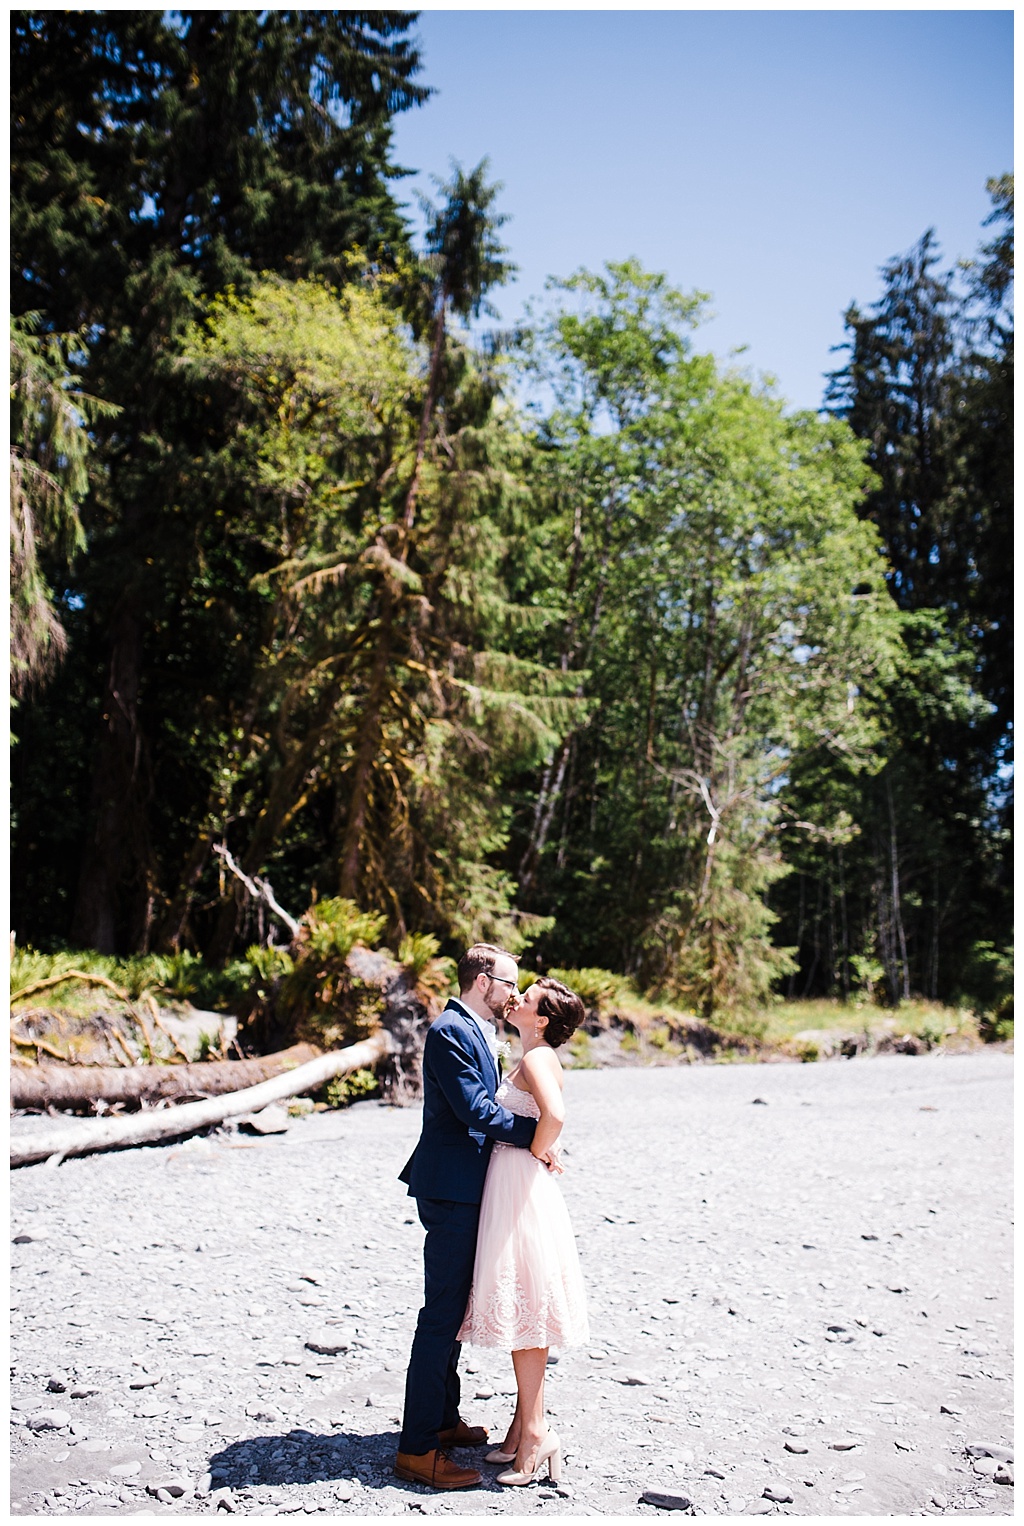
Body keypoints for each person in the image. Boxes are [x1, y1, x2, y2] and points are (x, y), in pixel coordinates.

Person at [394, 942, 559, 1491]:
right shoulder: (449, 1031)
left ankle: (443, 1420)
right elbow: (475, 1110)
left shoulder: (473, 1028)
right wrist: (536, 1140)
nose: (514, 992)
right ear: (483, 981)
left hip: (467, 1186)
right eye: (510, 983)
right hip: (451, 1188)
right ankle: (416, 1448)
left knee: (453, 1308)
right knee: (441, 1314)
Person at [457, 975, 589, 1488]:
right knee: (523, 1308)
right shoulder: (537, 1056)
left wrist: (537, 1149)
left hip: (519, 1184)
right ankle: (521, 1426)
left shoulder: (535, 1058)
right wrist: (540, 1146)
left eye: (527, 997)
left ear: (542, 1020)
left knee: (525, 1311)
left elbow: (555, 1114)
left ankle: (536, 1435)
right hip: (517, 1182)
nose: (516, 998)